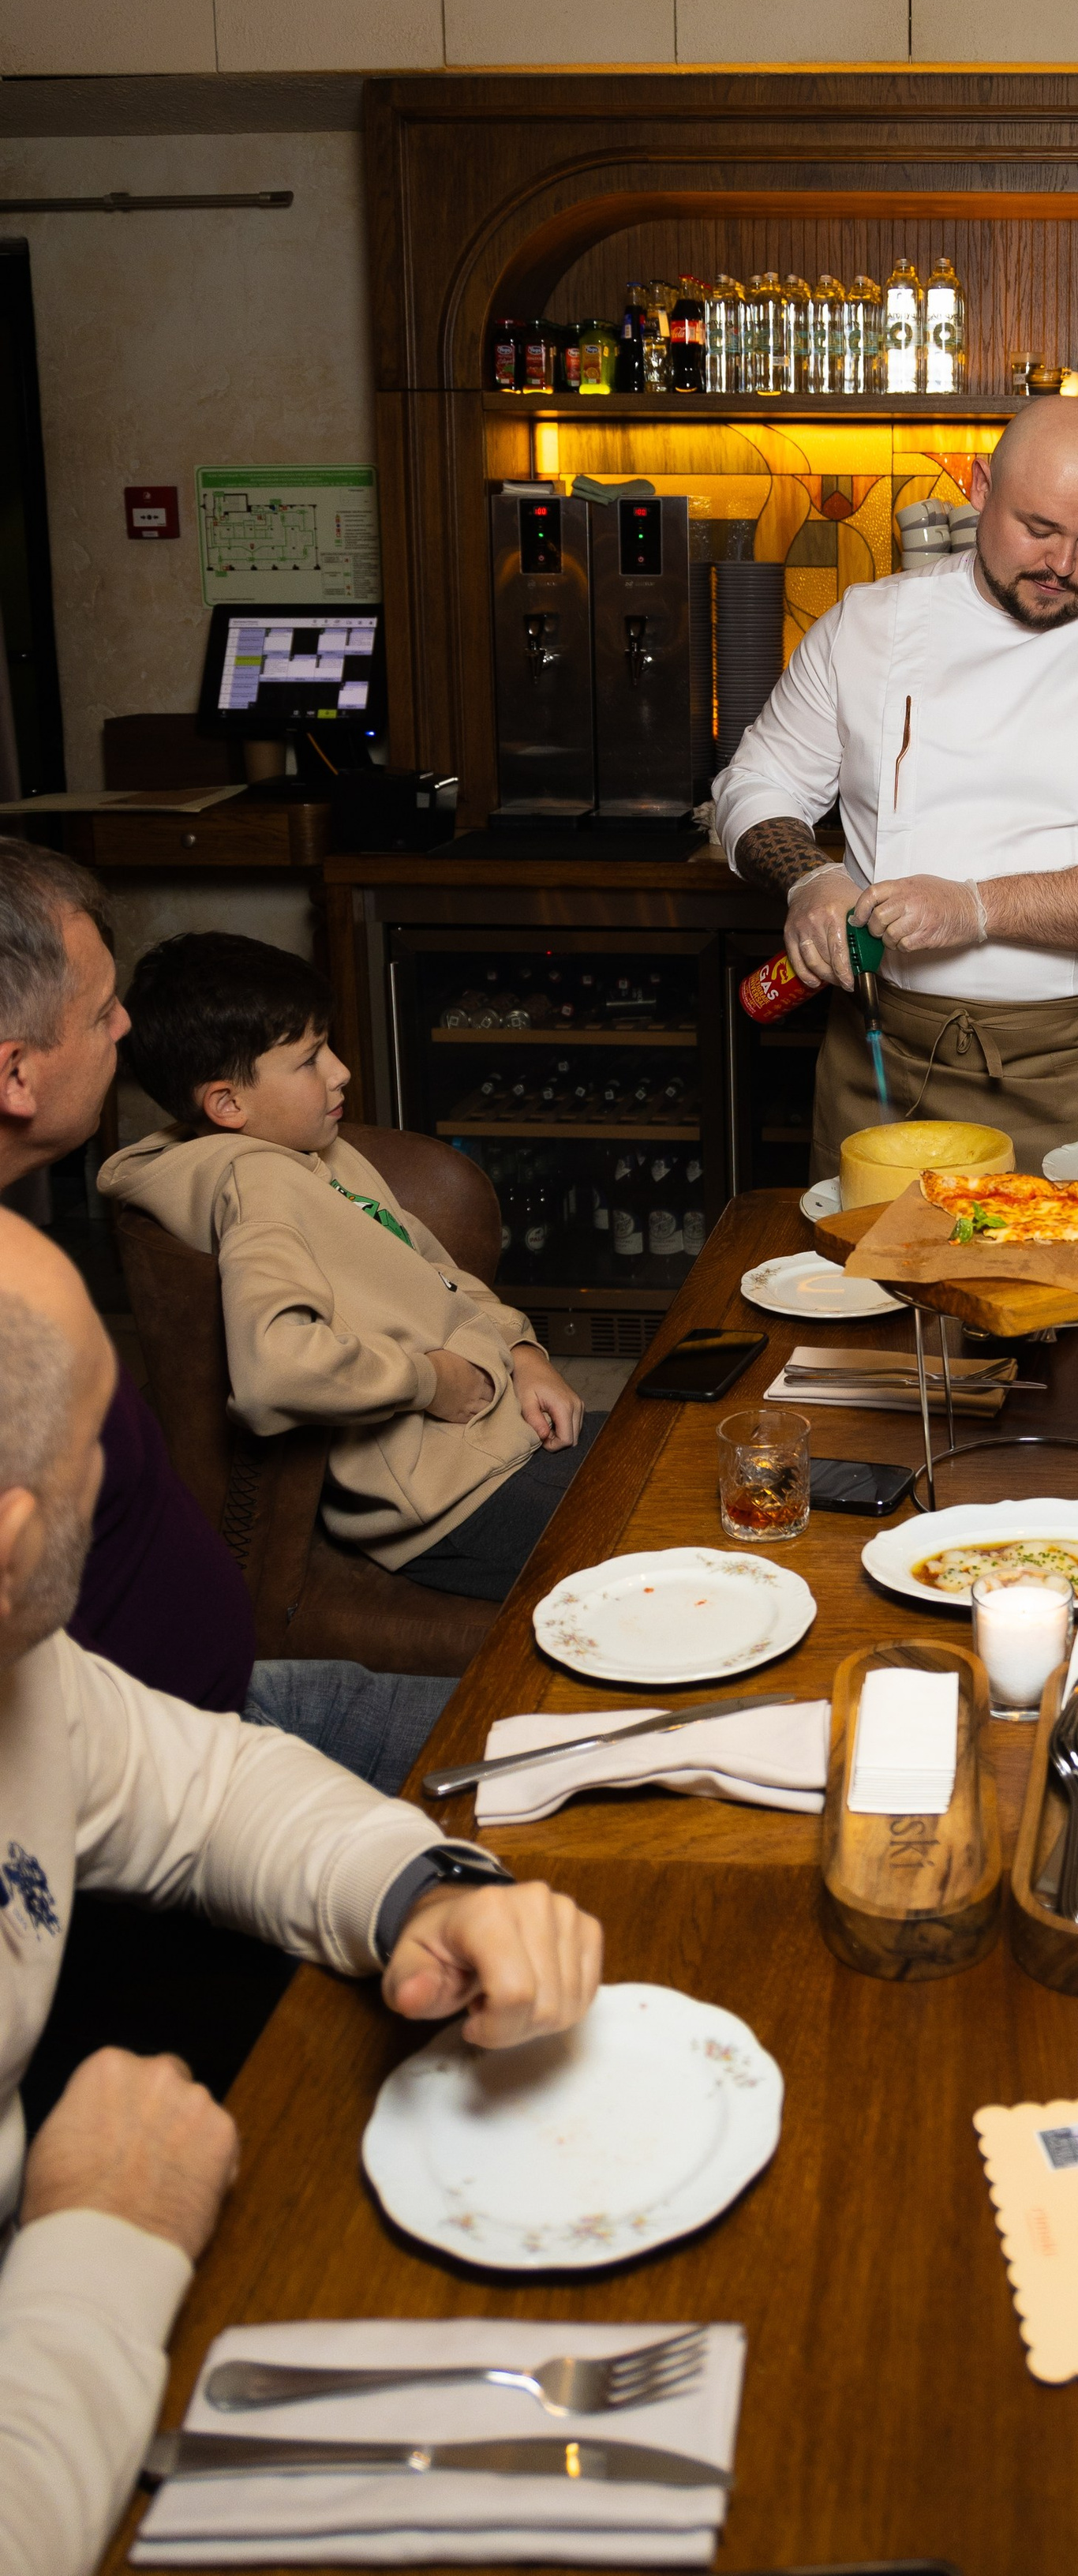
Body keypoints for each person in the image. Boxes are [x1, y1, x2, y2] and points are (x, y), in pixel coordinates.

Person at [0, 1218, 603, 2576]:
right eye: (104, 1440)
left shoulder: (23, 1666)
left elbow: (208, 1788)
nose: (127, 1477)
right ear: (16, 1534)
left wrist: (425, 1890)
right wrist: (104, 2232)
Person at [712, 396, 1078, 1176]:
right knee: (871, 1284)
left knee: (1075, 1293)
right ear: (977, 486)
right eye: (1037, 529)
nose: (1062, 566)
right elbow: (754, 783)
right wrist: (810, 882)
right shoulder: (867, 625)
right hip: (884, 1056)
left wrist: (975, 906)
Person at [0, 840, 447, 1779]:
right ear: (15, 1074)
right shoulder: (22, 1303)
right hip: (161, 1764)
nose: (127, 1027)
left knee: (561, 1737)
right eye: (98, 1011)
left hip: (218, 1714)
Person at [100, 931, 590, 1606]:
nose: (339, 1071)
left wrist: (520, 1348)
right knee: (706, 1536)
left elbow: (432, 1266)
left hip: (503, 1434)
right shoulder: (259, 1190)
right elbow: (275, 1369)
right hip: (457, 1500)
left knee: (716, 1463)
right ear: (227, 1105)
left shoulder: (316, 1153)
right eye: (308, 1060)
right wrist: (429, 1381)